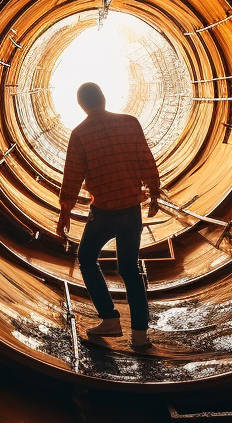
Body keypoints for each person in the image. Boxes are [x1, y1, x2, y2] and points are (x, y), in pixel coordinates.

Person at [56, 82, 160, 349]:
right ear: (103, 98)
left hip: (103, 213)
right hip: (131, 210)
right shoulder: (129, 122)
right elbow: (146, 159)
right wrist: (155, 193)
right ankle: (140, 335)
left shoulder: (80, 134)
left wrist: (64, 212)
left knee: (87, 259)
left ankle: (110, 319)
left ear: (82, 105)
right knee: (129, 269)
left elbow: (72, 176)